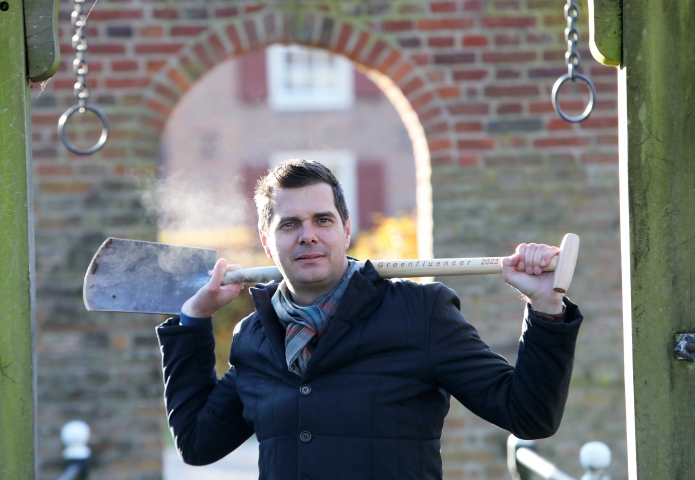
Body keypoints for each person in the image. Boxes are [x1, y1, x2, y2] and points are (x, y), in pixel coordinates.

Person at [157, 158, 582, 479]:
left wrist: (545, 309)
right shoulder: (254, 337)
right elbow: (197, 443)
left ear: (345, 230)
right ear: (268, 243)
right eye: (290, 224)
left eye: (322, 220)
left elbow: (529, 416)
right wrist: (193, 320)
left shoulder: (420, 313)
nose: (308, 235)